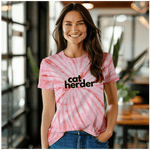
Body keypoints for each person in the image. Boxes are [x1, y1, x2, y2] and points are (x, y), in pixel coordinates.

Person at [38, 2, 119, 150]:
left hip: (95, 139)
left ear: (87, 26)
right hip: (61, 140)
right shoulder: (49, 64)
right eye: (68, 24)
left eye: (80, 23)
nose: (74, 29)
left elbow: (113, 102)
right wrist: (44, 147)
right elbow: (48, 110)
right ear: (61, 28)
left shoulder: (103, 60)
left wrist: (108, 132)